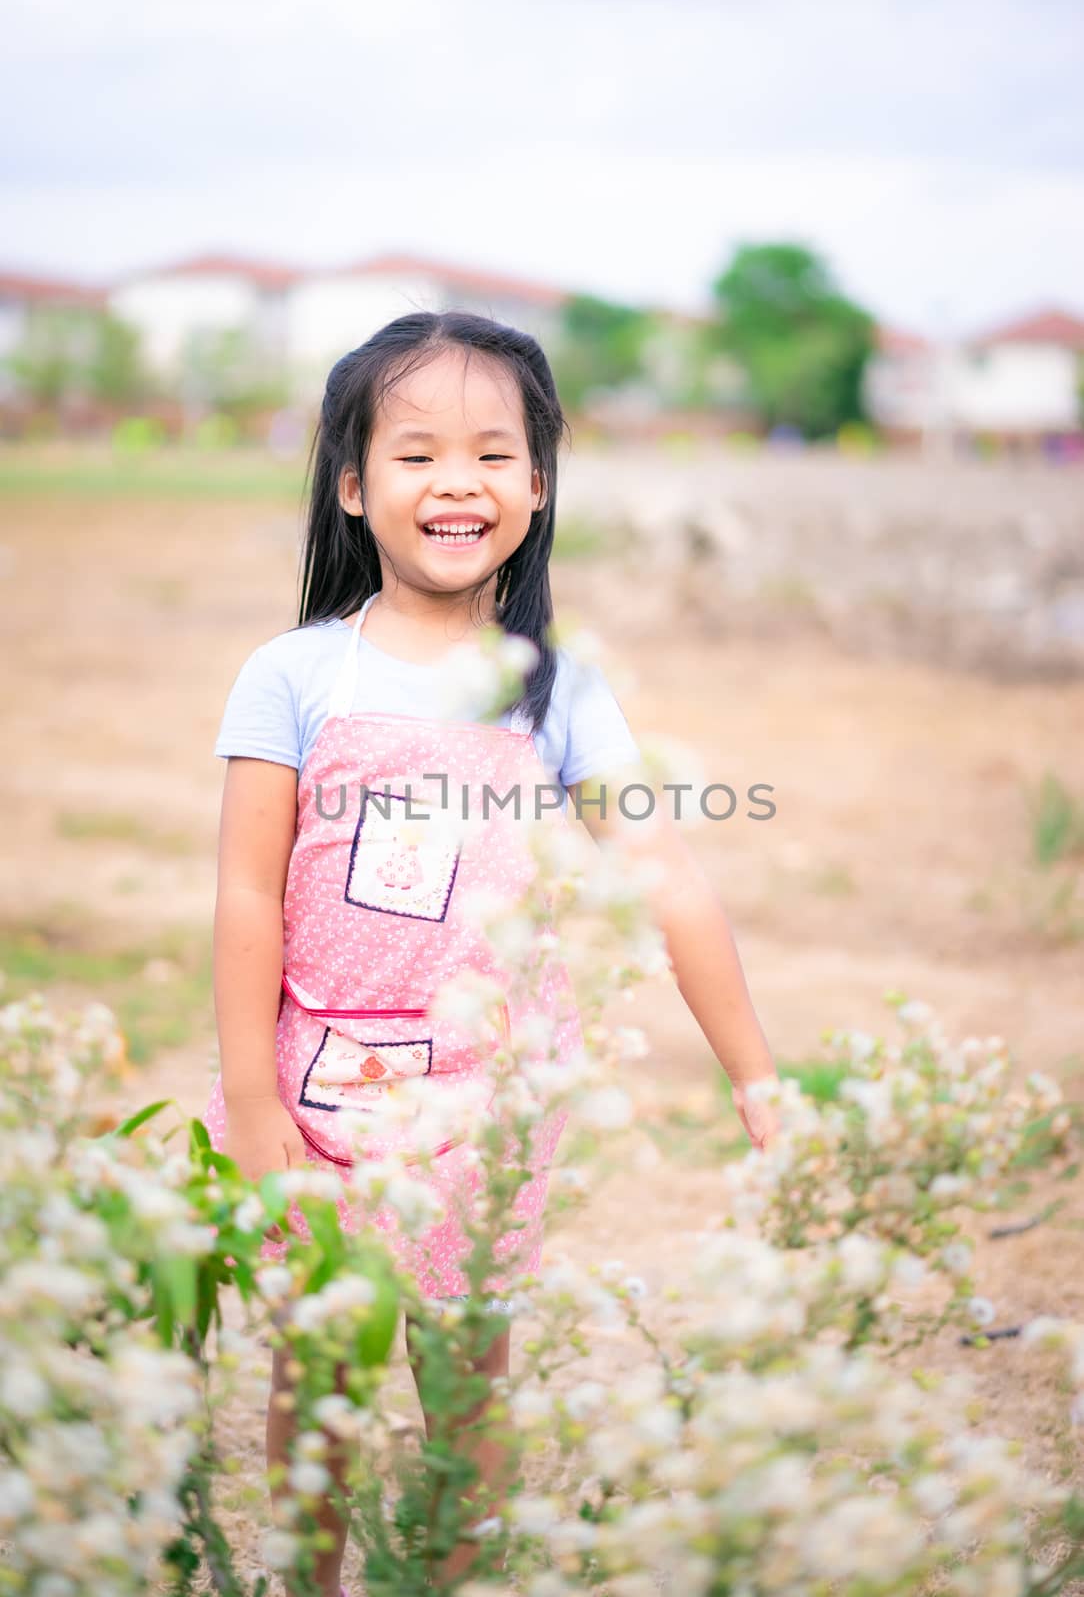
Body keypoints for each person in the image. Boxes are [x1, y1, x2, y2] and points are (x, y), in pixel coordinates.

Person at [203, 310, 781, 1596]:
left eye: (489, 453)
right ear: (353, 487)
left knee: (468, 1419)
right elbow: (247, 896)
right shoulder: (296, 677)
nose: (454, 480)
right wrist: (250, 1098)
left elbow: (665, 875)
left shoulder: (558, 691)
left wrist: (752, 1067)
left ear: (535, 485)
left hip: (488, 1113)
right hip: (323, 1105)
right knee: (322, 1409)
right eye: (414, 454)